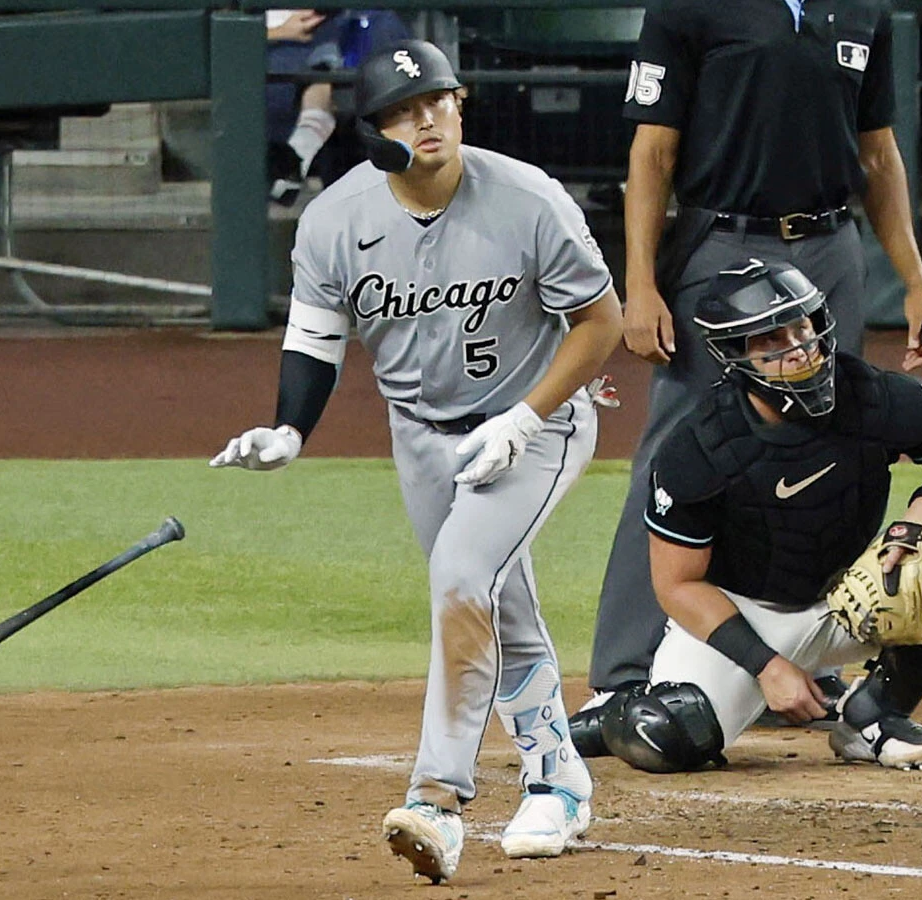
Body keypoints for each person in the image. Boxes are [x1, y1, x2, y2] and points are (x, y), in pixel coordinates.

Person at [210, 40, 623, 883]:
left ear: (460, 103)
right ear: (373, 133)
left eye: (435, 101)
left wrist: (524, 415)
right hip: (420, 437)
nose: (424, 119)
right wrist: (290, 431)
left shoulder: (527, 199)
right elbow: (314, 340)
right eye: (401, 111)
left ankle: (437, 801)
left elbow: (601, 324)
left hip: (536, 423)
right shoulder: (336, 221)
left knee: (463, 579)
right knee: (493, 607)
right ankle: (558, 778)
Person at [571, 0, 922, 752]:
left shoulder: (861, 11)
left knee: (830, 448)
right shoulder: (688, 9)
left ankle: (806, 665)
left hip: (831, 248)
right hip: (722, 244)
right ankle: (622, 675)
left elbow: (878, 153)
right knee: (676, 451)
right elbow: (652, 155)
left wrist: (912, 276)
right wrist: (638, 284)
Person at [591, 257, 922, 774]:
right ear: (735, 355)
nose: (799, 350)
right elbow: (676, 585)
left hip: (855, 598)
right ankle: (612, 711)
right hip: (745, 617)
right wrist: (767, 666)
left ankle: (873, 714)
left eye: (803, 328)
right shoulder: (700, 446)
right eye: (772, 340)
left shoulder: (865, 393)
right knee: (663, 736)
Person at [266, 8, 411, 204]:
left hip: (338, 36)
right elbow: (222, 31)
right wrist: (281, 31)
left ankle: (302, 148)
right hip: (279, 48)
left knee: (382, 24)